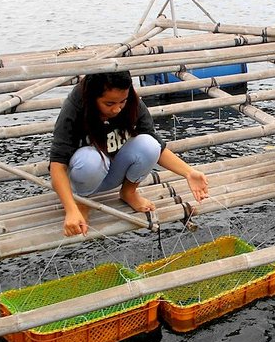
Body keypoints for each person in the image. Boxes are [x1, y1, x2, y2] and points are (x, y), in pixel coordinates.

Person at [50, 71, 209, 237]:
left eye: (122, 102)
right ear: (92, 97)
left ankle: (129, 192)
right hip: (82, 176)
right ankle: (81, 201)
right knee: (92, 160)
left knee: (149, 144)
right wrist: (70, 209)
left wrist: (189, 173)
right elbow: (57, 165)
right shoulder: (75, 107)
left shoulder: (133, 102)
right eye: (109, 103)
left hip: (112, 172)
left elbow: (157, 147)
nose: (117, 109)